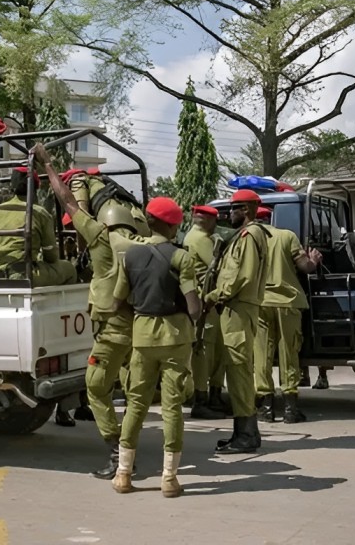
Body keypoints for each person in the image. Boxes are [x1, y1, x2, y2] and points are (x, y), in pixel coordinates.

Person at [35, 144, 149, 477]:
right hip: (140, 328)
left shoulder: (100, 239)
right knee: (135, 391)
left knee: (97, 387)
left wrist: (48, 163)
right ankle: (131, 446)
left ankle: (118, 452)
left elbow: (67, 201)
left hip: (111, 332)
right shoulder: (145, 244)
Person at [110, 197, 202, 497]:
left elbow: (116, 302)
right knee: (172, 407)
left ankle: (123, 474)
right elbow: (194, 308)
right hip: (175, 339)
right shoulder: (181, 258)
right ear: (173, 227)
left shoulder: (130, 256)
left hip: (142, 338)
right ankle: (169, 479)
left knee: (136, 404)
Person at [205, 189, 269, 454]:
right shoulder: (244, 236)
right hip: (234, 309)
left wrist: (214, 296)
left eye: (234, 208)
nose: (229, 213)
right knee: (235, 371)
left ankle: (246, 435)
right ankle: (242, 432)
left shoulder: (250, 235)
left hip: (238, 308)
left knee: (239, 370)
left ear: (246, 210)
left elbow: (243, 275)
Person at [253, 206, 322, 423]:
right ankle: (291, 409)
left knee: (262, 354)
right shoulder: (286, 236)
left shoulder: (249, 240)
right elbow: (305, 267)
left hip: (261, 302)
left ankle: (266, 407)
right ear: (270, 218)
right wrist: (314, 259)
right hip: (287, 302)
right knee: (288, 352)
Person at [0, 167, 76, 285]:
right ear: (35, 188)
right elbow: (51, 256)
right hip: (20, 275)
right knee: (69, 269)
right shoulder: (39, 212)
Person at [183, 204, 229, 419]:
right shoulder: (199, 239)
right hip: (204, 299)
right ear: (209, 221)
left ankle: (213, 396)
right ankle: (201, 399)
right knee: (204, 351)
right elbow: (218, 266)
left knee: (217, 349)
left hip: (210, 300)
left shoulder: (200, 237)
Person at [63, 168, 151, 236]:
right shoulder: (104, 182)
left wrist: (81, 252)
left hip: (119, 227)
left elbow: (81, 218)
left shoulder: (77, 181)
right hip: (141, 224)